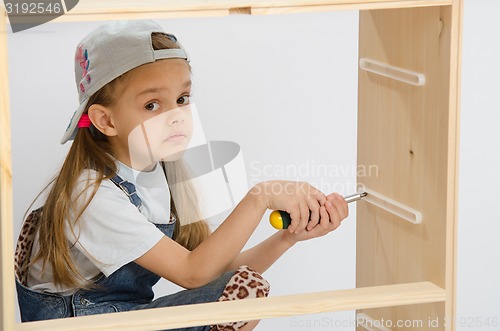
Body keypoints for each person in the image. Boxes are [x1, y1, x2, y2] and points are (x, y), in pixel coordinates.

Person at [14, 20, 348, 331]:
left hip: (125, 318)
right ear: (105, 121)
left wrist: (289, 236)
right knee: (241, 294)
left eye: (182, 99)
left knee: (240, 288)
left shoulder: (159, 177)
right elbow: (192, 272)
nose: (176, 116)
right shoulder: (91, 193)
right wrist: (260, 195)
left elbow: (215, 268)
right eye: (152, 105)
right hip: (81, 325)